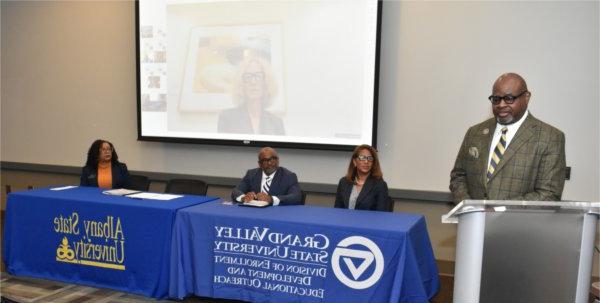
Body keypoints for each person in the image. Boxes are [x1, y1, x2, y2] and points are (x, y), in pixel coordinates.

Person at [449, 73, 566, 203]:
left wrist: (499, 211)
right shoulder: (474, 132)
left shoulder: (550, 138)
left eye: (509, 98)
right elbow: (458, 176)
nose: (501, 104)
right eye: (496, 99)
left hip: (517, 222)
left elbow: (549, 194)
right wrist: (469, 207)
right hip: (472, 220)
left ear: (526, 97)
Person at [217, 57, 284, 135]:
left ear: (266, 83)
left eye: (258, 76)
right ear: (241, 84)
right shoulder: (227, 118)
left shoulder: (276, 123)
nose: (253, 82)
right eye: (248, 77)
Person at [231, 147, 302, 205]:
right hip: (253, 212)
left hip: (276, 214)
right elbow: (236, 190)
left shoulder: (288, 176)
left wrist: (271, 199)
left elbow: (296, 197)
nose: (270, 163)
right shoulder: (251, 174)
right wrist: (244, 197)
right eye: (265, 160)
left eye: (273, 159)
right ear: (260, 164)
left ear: (278, 161)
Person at [335, 144, 389, 211]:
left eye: (370, 158)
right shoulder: (343, 182)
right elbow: (337, 211)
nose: (366, 162)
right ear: (354, 162)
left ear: (373, 163)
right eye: (362, 157)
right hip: (345, 221)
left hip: (369, 221)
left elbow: (382, 215)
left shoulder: (380, 185)